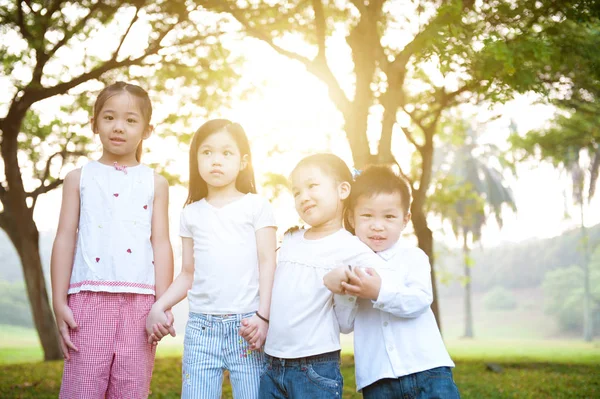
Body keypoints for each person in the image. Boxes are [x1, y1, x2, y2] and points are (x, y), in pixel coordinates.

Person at [50, 81, 174, 398]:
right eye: (109, 117)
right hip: (87, 299)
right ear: (94, 123)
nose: (119, 127)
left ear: (147, 129)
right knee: (83, 387)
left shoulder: (155, 183)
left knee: (131, 388)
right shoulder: (78, 178)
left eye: (131, 120)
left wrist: (162, 303)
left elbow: (161, 243)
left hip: (141, 302)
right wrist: (58, 300)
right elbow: (65, 238)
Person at [146, 119, 277, 399]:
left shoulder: (256, 206)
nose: (216, 161)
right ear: (196, 159)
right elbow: (188, 273)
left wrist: (264, 317)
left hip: (248, 327)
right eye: (207, 152)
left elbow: (268, 263)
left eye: (226, 153)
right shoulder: (190, 213)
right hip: (201, 329)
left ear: (243, 162)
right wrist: (161, 305)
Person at [260, 153, 391, 399]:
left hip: (315, 366)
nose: (303, 197)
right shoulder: (290, 238)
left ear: (342, 190)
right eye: (296, 192)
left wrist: (347, 277)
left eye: (312, 186)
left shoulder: (350, 246)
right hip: (272, 363)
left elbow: (383, 278)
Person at [324, 165, 460, 398]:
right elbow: (345, 324)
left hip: (427, 370)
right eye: (367, 215)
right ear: (351, 217)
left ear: (405, 219)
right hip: (378, 379)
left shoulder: (413, 257)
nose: (378, 225)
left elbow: (420, 300)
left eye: (389, 216)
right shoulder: (350, 266)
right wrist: (344, 289)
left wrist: (379, 291)